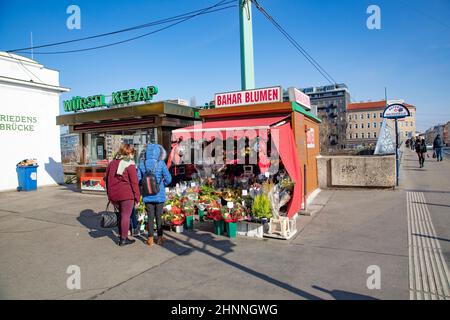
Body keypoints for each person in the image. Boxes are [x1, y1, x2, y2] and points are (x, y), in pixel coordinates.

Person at [105, 144, 140, 246]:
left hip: (114, 194)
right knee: (125, 216)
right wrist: (137, 197)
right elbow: (134, 183)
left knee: (121, 215)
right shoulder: (129, 164)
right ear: (129, 153)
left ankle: (121, 236)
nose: (133, 155)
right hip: (126, 194)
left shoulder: (112, 163)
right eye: (132, 153)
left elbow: (107, 180)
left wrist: (109, 195)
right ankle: (123, 239)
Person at [138, 144, 172, 246]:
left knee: (150, 216)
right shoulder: (160, 163)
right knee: (159, 216)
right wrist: (161, 184)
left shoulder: (141, 164)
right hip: (159, 193)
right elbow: (169, 179)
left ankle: (150, 239)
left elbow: (138, 180)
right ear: (158, 152)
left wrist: (145, 185)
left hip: (147, 194)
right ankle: (160, 238)